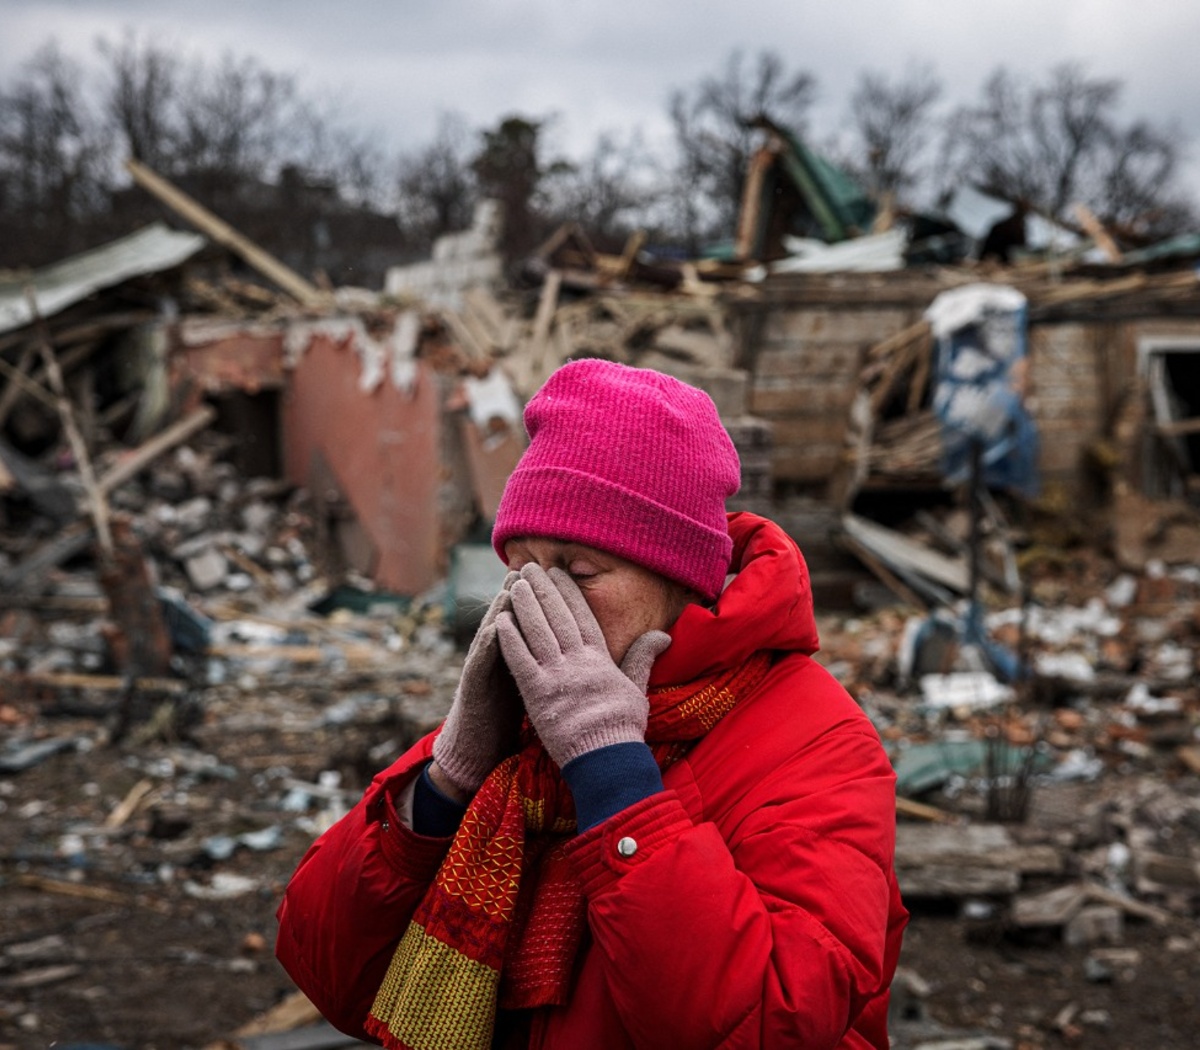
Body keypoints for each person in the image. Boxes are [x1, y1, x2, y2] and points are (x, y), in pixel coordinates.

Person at [275, 359, 908, 1049]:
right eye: (522, 570)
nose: (543, 602)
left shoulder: (818, 742)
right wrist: (447, 778)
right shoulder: (524, 726)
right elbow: (327, 970)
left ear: (680, 579)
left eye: (579, 573)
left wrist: (614, 775)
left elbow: (773, 1021)